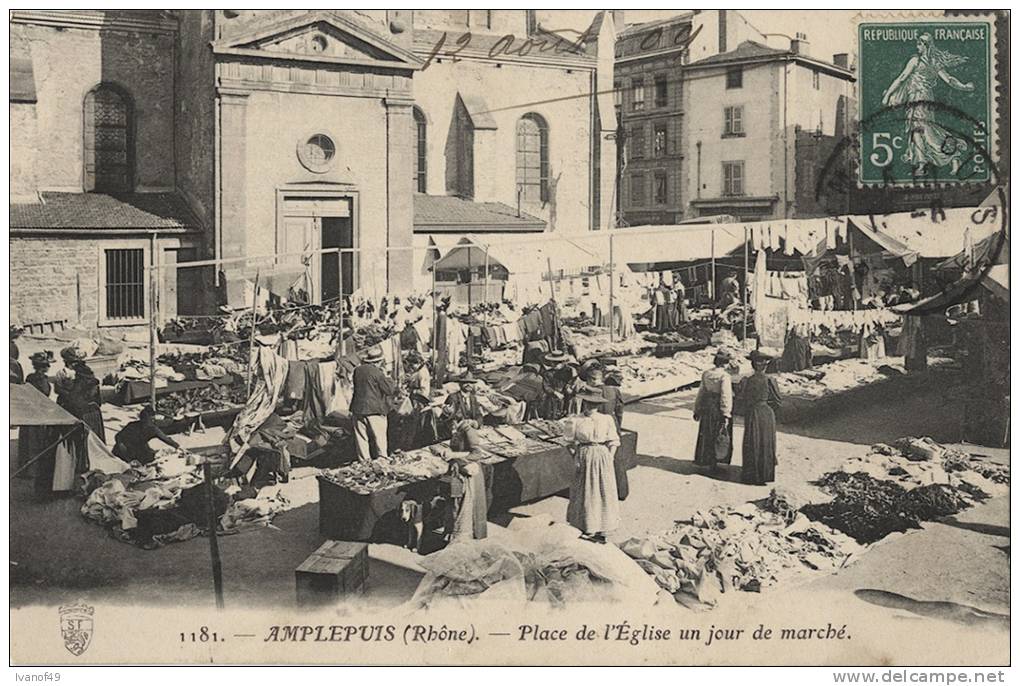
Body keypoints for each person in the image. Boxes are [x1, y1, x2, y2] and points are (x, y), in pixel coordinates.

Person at [882, 32, 974, 176]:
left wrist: (887, 95)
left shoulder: (915, 61)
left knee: (922, 130)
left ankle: (938, 160)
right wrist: (963, 86)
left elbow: (901, 78)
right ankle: (932, 162)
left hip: (918, 98)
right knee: (921, 130)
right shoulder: (935, 63)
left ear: (926, 45)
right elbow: (949, 79)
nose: (917, 46)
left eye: (919, 44)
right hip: (923, 99)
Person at [566, 390, 621, 544]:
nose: (591, 407)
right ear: (584, 403)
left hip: (602, 455)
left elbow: (613, 440)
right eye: (589, 403)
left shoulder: (606, 419)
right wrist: (575, 457)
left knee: (603, 490)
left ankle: (602, 527)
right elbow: (569, 442)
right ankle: (585, 525)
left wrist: (610, 457)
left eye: (595, 404)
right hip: (584, 454)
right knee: (585, 490)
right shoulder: (576, 420)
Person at [739, 350, 781, 485]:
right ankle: (765, 474)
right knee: (766, 442)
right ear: (765, 366)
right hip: (766, 414)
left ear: (752, 365)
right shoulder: (770, 380)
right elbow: (778, 400)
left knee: (752, 441)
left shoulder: (746, 381)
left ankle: (751, 474)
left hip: (752, 413)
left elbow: (741, 399)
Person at [349, 345, 395, 462]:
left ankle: (364, 461)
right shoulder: (377, 372)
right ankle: (382, 459)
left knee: (361, 437)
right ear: (378, 361)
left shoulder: (357, 370)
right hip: (374, 409)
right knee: (379, 437)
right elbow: (389, 390)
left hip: (357, 408)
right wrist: (387, 376)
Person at [693, 350, 734, 470]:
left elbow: (701, 392)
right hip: (717, 407)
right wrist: (726, 413)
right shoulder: (724, 376)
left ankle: (705, 458)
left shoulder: (707, 374)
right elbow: (725, 395)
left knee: (706, 431)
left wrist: (697, 409)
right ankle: (716, 461)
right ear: (725, 363)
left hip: (707, 406)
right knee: (718, 433)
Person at [56, 347, 105, 443]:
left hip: (76, 409)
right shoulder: (89, 375)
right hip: (90, 410)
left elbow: (61, 391)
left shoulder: (66, 374)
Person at [113, 406, 181, 464]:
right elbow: (118, 437)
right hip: (126, 449)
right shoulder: (133, 426)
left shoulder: (151, 428)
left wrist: (177, 446)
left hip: (137, 448)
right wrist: (126, 455)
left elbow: (165, 439)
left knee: (150, 457)